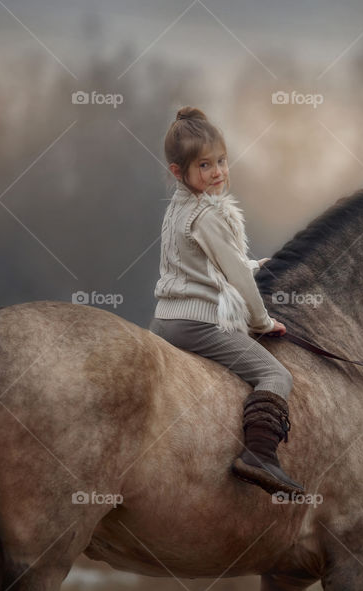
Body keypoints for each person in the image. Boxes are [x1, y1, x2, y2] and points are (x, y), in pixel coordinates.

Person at [149, 106, 305, 496]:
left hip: (165, 320)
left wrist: (253, 264)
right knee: (276, 375)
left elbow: (203, 266)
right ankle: (259, 455)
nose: (217, 172)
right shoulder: (207, 214)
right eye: (204, 165)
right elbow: (234, 275)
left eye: (221, 160)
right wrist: (262, 322)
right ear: (177, 171)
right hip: (198, 325)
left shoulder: (178, 209)